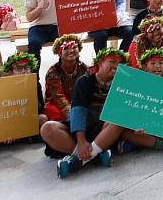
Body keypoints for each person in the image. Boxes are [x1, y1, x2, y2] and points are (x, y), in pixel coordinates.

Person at [40, 49, 127, 177]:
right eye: (112, 61)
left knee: (119, 119)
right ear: (101, 63)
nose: (116, 66)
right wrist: (81, 141)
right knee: (47, 128)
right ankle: (94, 155)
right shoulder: (85, 81)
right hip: (79, 129)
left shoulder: (122, 84)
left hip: (104, 132)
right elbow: (77, 111)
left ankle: (77, 161)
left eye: (119, 64)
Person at [25, 0, 68, 69]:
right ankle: (35, 81)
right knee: (33, 44)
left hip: (58, 26)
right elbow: (29, 17)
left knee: (69, 44)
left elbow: (70, 13)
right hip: (39, 27)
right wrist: (40, 7)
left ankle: (65, 77)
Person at [43, 34, 88, 122]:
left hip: (78, 102)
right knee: (54, 113)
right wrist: (71, 112)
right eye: (66, 48)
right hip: (57, 104)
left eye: (74, 47)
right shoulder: (52, 72)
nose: (71, 51)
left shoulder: (84, 68)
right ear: (59, 53)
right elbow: (58, 97)